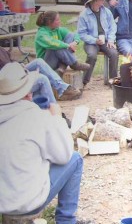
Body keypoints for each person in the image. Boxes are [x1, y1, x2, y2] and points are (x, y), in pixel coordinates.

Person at [0, 62, 83, 223]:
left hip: (3, 201)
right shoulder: (37, 118)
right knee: (76, 159)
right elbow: (64, 155)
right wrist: (57, 119)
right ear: (28, 93)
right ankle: (66, 220)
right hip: (28, 204)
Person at [0, 46, 81, 102]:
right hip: (7, 84)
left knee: (38, 62)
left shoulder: (1, 50)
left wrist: (20, 66)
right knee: (41, 79)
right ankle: (55, 113)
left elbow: (11, 61)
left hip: (16, 72)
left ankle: (63, 89)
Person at [78, 0, 119, 85]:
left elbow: (113, 26)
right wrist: (94, 40)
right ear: (95, 1)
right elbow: (82, 34)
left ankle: (113, 81)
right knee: (92, 55)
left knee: (114, 53)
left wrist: (111, 40)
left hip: (106, 40)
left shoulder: (106, 11)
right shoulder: (84, 15)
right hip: (91, 42)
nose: (103, 1)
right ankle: (84, 81)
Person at [35, 11, 90, 75]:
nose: (60, 21)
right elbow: (52, 43)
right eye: (57, 20)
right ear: (50, 22)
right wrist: (68, 45)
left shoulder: (57, 29)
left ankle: (62, 66)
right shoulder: (41, 34)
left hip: (57, 60)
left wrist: (75, 42)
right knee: (57, 46)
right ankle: (74, 64)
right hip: (46, 64)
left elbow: (75, 35)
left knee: (70, 36)